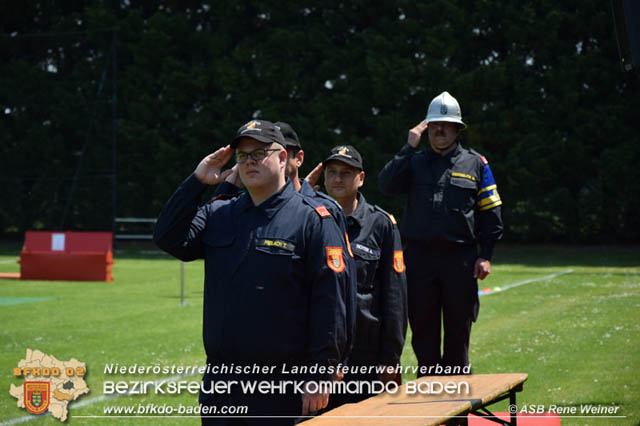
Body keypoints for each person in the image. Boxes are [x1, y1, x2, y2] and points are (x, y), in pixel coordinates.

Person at [153, 120, 350, 424]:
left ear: (283, 158)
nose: (249, 162)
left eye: (259, 153)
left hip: (283, 385)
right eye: (243, 156)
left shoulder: (312, 220)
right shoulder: (219, 213)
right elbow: (168, 238)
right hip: (223, 383)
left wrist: (322, 371)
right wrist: (196, 182)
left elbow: (330, 301)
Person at [378, 91, 503, 375]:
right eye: (435, 124)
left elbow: (491, 212)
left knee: (458, 333)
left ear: (458, 129)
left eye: (447, 125)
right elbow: (386, 185)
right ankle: (431, 402)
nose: (440, 129)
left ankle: (458, 408)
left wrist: (486, 255)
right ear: (427, 128)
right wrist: (408, 147)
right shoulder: (414, 161)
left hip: (460, 261)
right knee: (423, 331)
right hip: (419, 260)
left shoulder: (476, 164)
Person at [309, 145, 408, 407]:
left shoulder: (381, 224)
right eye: (332, 172)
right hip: (318, 357)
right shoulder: (309, 218)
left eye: (346, 172)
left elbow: (394, 298)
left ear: (361, 178)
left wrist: (390, 360)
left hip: (366, 357)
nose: (338, 179)